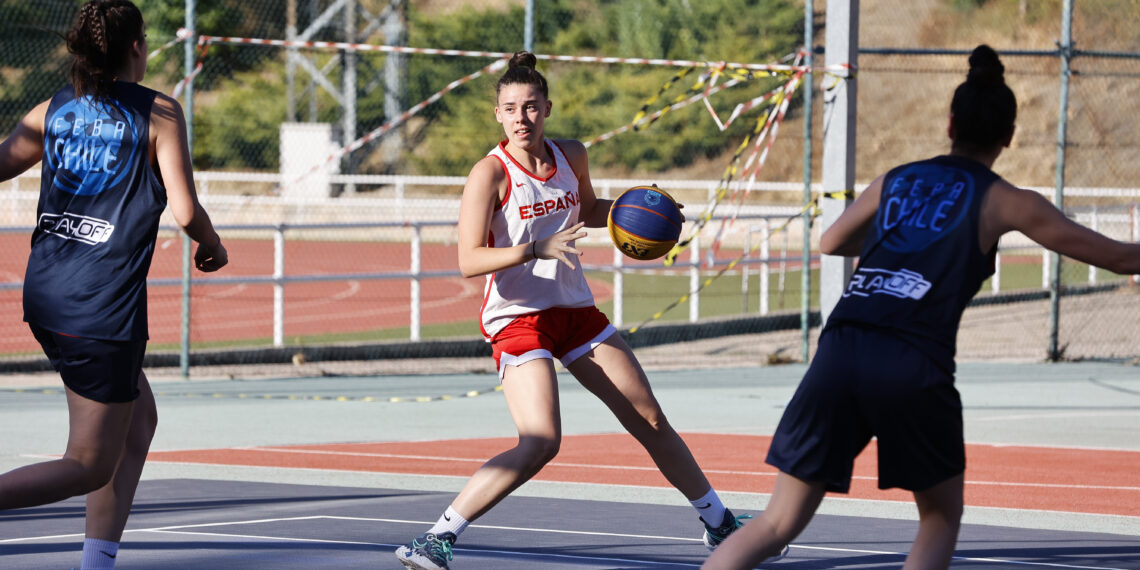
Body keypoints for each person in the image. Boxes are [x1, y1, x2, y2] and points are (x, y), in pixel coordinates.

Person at [702, 44, 1140, 570]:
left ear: (950, 123)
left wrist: (906, 242)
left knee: (777, 522)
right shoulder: (1008, 201)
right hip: (911, 360)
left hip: (840, 347)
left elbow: (832, 241)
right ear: (1009, 136)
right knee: (937, 518)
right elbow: (1118, 258)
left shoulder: (897, 179)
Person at [395, 51, 764, 570]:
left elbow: (588, 209)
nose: (521, 118)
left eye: (530, 107)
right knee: (542, 440)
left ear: (547, 107)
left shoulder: (572, 156)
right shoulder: (490, 174)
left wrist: (646, 209)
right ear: (496, 114)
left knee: (650, 419)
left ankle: (719, 524)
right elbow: (468, 260)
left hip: (573, 309)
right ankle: (435, 539)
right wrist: (535, 248)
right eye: (510, 109)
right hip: (518, 318)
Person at [0, 1, 227, 568]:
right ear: (135, 48)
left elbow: (1, 161)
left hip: (47, 292)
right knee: (89, 463)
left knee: (138, 423)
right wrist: (213, 243)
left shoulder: (53, 108)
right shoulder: (159, 113)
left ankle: (97, 561)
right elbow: (183, 210)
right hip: (99, 306)